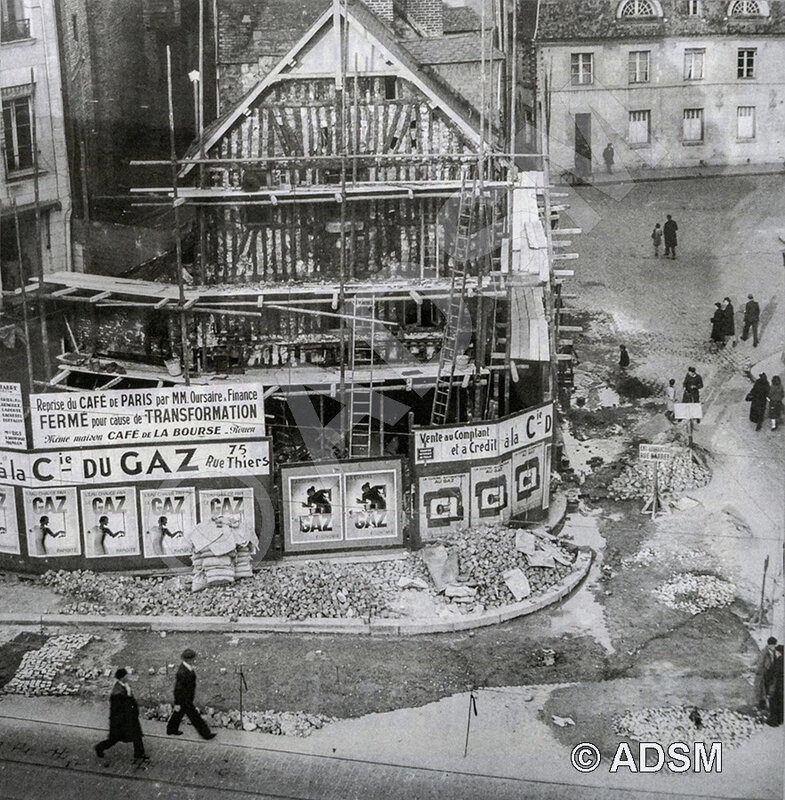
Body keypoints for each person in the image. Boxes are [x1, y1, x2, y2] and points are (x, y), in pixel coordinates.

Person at [95, 668, 147, 763]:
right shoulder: (117, 692)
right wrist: (128, 694)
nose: (128, 677)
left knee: (137, 735)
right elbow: (121, 707)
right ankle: (99, 747)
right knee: (114, 739)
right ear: (122, 677)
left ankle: (139, 753)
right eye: (126, 676)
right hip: (121, 720)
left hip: (130, 717)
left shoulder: (124, 686)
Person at [166, 648, 216, 740]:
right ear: (189, 659)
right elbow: (178, 689)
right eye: (193, 659)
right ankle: (206, 734)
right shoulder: (182, 672)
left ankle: (171, 729)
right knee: (194, 717)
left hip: (186, 698)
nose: (194, 660)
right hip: (184, 699)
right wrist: (177, 703)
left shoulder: (187, 668)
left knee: (178, 713)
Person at [754, 636, 779, 711]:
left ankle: (765, 704)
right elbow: (760, 663)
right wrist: (759, 672)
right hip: (764, 672)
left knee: (768, 689)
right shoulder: (764, 652)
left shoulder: (773, 652)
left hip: (770, 673)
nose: (774, 647)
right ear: (770, 644)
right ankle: (761, 705)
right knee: (762, 689)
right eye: (774, 645)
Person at [767, 645, 784, 727]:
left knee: (774, 701)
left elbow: (772, 672)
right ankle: (781, 720)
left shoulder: (779, 660)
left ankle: (774, 721)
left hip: (778, 685)